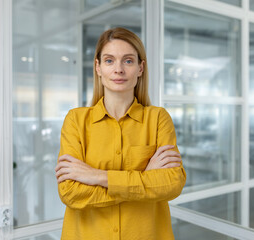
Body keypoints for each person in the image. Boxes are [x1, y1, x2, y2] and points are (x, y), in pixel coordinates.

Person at [55, 27, 186, 240]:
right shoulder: (76, 121)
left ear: (140, 68)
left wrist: (97, 176)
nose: (118, 69)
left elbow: (172, 184)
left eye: (128, 61)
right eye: (109, 61)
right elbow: (70, 193)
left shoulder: (158, 119)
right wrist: (143, 180)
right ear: (97, 67)